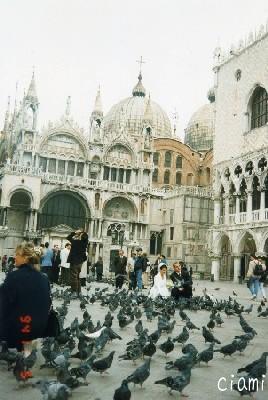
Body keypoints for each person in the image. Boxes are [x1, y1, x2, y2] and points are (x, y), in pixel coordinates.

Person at [0, 242, 51, 351]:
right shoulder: (43, 278)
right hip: (38, 328)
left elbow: (3, 305)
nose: (14, 257)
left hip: (19, 329)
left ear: (25, 258)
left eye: (17, 254)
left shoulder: (14, 276)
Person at [67, 229, 89, 298]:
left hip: (74, 261)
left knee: (73, 277)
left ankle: (74, 292)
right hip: (80, 262)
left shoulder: (76, 242)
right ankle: (79, 292)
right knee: (77, 277)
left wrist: (75, 232)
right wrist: (82, 234)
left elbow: (68, 237)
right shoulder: (85, 243)